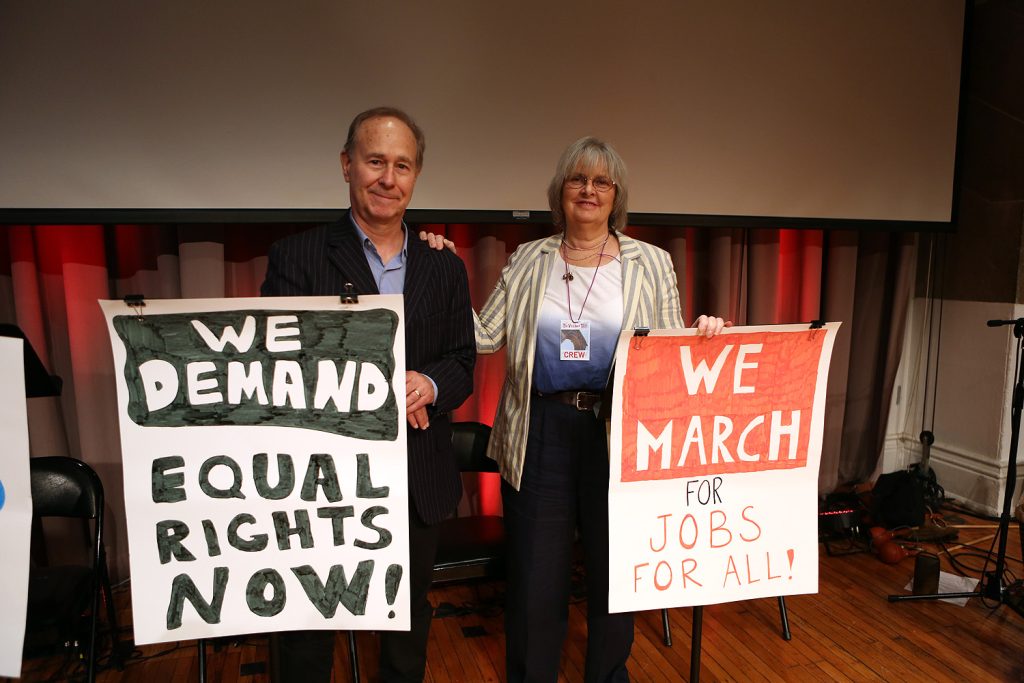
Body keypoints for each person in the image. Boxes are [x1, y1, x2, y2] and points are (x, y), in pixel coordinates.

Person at [424, 136, 727, 682]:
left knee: (616, 570)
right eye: (577, 179)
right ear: (560, 191)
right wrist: (443, 273)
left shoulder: (651, 263)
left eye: (601, 181)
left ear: (616, 195)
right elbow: (484, 335)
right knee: (535, 575)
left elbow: (670, 350)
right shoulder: (529, 259)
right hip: (540, 430)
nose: (589, 190)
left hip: (619, 431)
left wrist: (703, 334)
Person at [261, 106, 475, 682]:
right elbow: (278, 365)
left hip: (416, 474)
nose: (388, 178)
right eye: (375, 161)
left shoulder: (444, 265)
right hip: (322, 480)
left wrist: (429, 384)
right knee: (309, 617)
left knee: (407, 615)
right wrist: (372, 389)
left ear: (416, 175)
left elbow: (462, 361)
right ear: (346, 165)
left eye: (402, 165)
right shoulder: (297, 256)